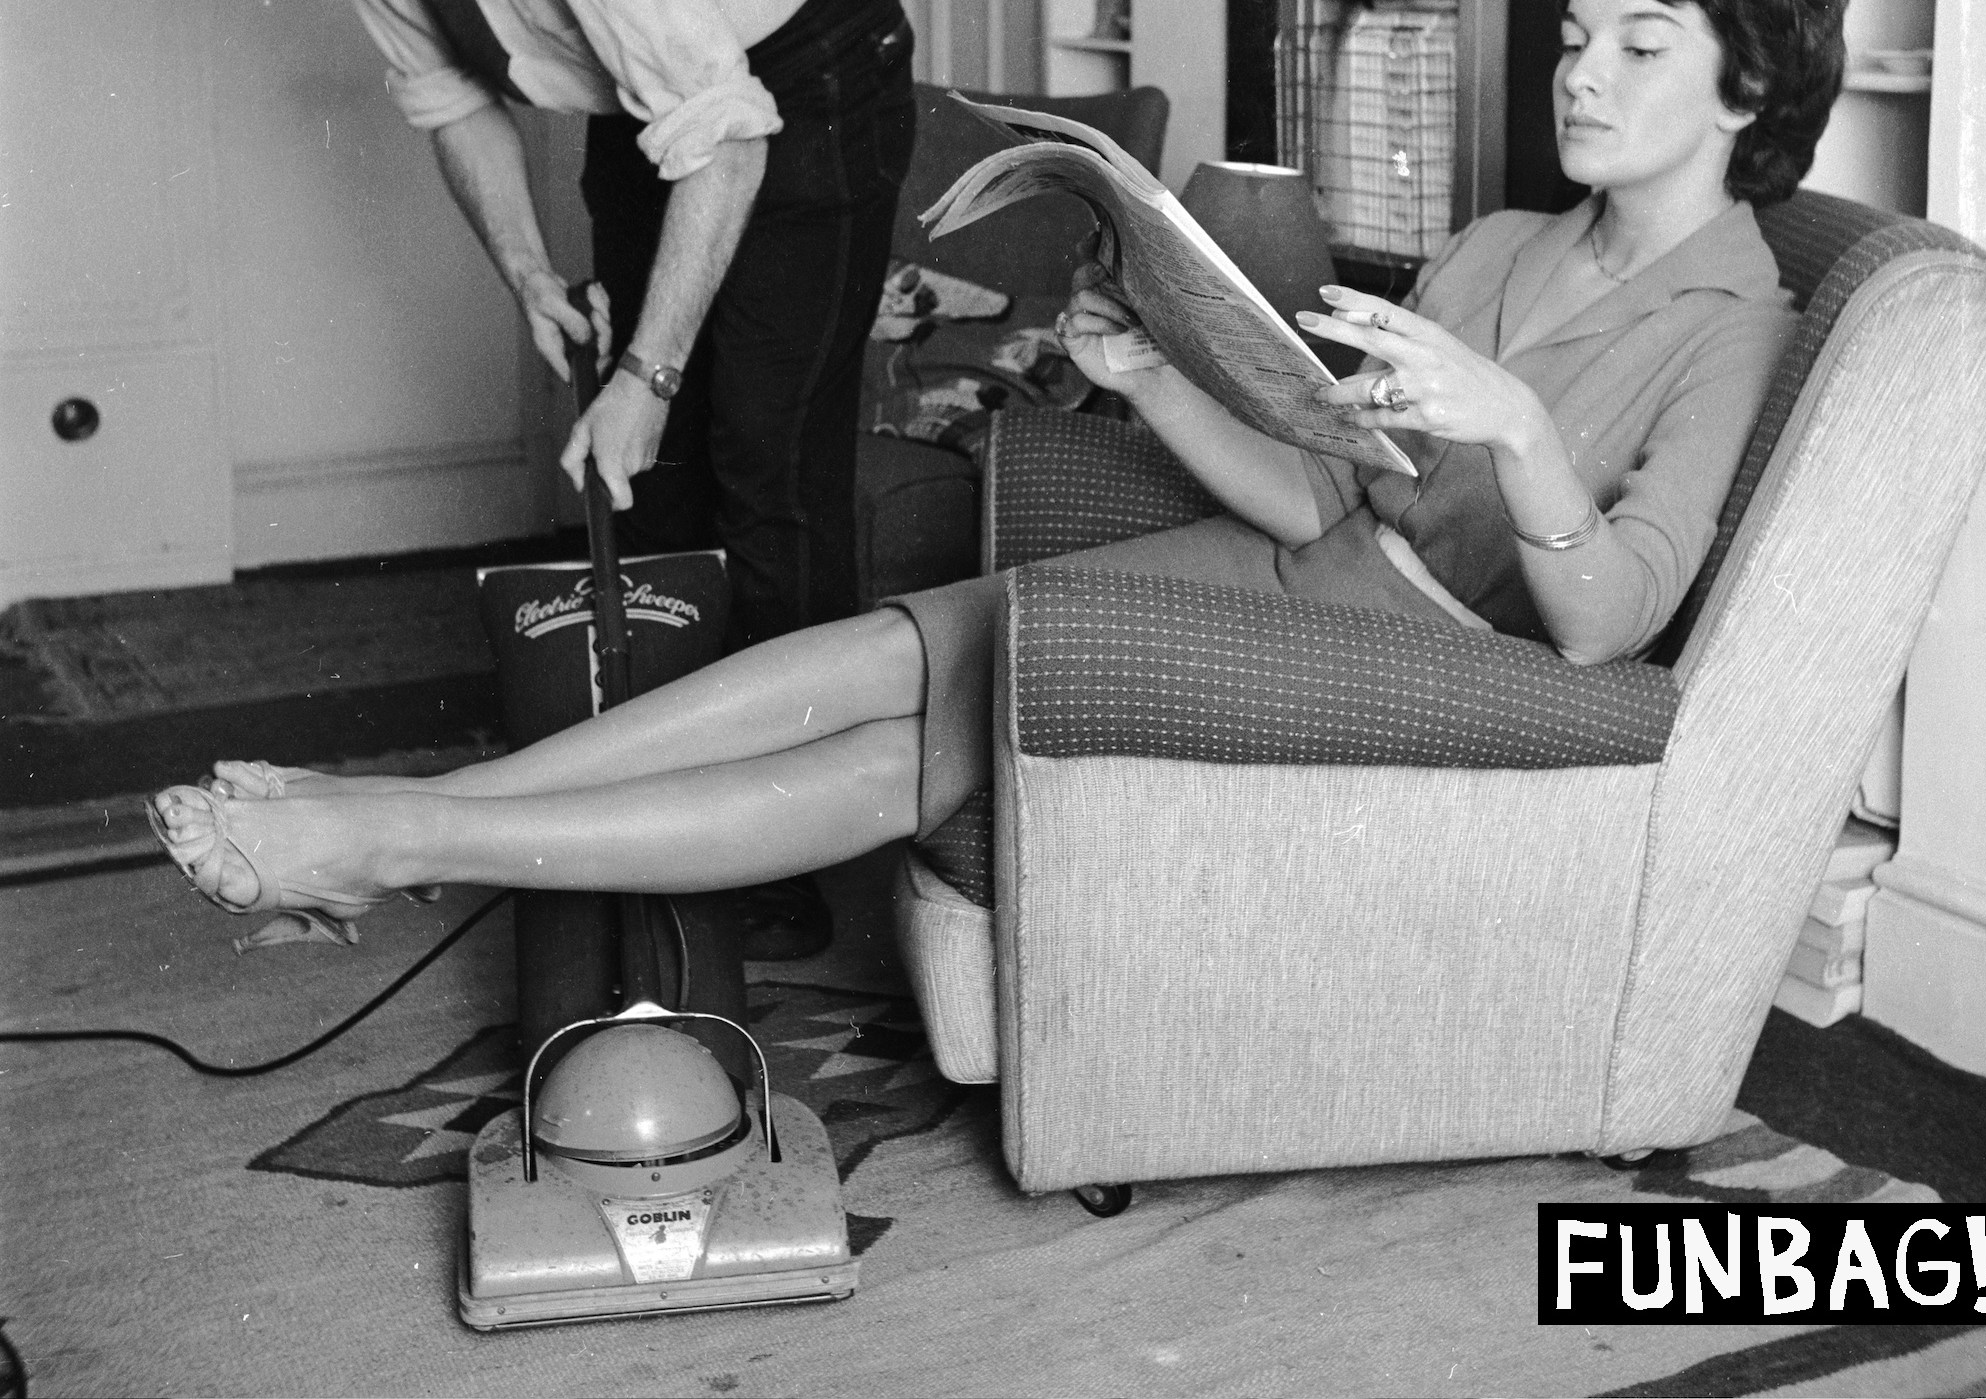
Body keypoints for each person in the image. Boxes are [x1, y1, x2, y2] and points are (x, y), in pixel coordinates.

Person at [152, 0, 1841, 944]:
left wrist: (1521, 425)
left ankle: (396, 837)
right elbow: (1322, 494)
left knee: (938, 721)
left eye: (1639, 42)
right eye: (1578, 35)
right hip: (1295, 575)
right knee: (895, 643)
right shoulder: (1499, 239)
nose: (1578, 66)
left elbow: (1610, 632)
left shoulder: (1741, 321)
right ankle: (417, 819)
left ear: (1747, 81)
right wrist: (1153, 380)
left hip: (1431, 665)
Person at [349, 0, 917, 956]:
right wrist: (527, 273)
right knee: (655, 487)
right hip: (653, 98)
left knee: (765, 468)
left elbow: (728, 145)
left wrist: (646, 378)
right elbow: (452, 102)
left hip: (813, 78)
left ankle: (783, 858)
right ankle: (668, 824)